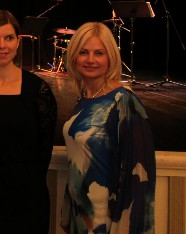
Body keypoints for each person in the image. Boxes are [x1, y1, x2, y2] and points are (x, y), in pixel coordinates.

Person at [0, 9, 57, 234]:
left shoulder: (39, 90)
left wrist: (28, 186)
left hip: (28, 199)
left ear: (17, 42)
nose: (2, 45)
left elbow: (45, 150)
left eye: (9, 38)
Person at [60, 21, 156, 233]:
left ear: (110, 57)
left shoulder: (124, 101)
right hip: (81, 218)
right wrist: (68, 215)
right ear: (74, 56)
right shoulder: (84, 98)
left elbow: (138, 176)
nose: (91, 60)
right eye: (83, 52)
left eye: (99, 53)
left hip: (106, 222)